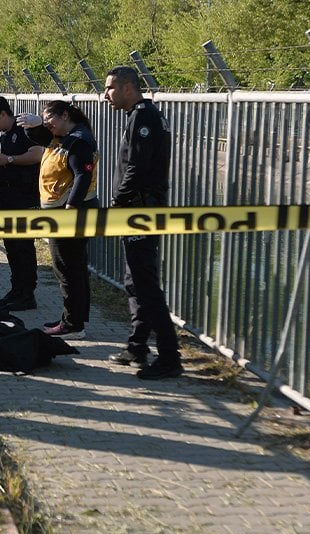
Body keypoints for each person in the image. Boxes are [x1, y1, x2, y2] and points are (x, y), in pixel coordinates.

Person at [102, 66, 183, 379]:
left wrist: (119, 201)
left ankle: (170, 357)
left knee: (146, 284)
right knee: (135, 281)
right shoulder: (140, 114)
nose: (105, 94)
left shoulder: (144, 116)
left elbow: (137, 166)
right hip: (136, 209)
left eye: (110, 88)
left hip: (140, 211)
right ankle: (137, 346)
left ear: (127, 88)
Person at [17, 100, 98, 339]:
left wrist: (71, 206)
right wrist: (33, 126)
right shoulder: (65, 135)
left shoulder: (78, 139)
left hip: (69, 212)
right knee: (73, 267)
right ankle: (73, 319)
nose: (48, 126)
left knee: (67, 268)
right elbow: (42, 137)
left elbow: (83, 174)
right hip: (64, 210)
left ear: (64, 115)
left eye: (50, 120)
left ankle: (73, 325)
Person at [0, 96, 44, 311]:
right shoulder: (5, 135)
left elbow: (38, 154)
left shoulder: (24, 128)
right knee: (11, 246)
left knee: (23, 247)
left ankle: (28, 294)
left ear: (3, 114)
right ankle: (16, 289)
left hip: (25, 198)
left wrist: (8, 159)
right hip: (9, 197)